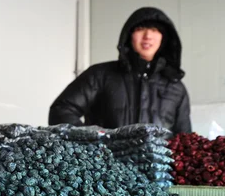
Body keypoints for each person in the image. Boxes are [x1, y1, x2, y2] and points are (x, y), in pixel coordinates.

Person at [49, 7, 192, 134]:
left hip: (157, 164)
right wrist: (91, 144)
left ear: (163, 38)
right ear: (129, 35)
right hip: (106, 162)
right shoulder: (100, 75)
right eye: (140, 29)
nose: (148, 35)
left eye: (155, 30)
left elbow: (185, 142)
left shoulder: (176, 88)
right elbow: (62, 109)